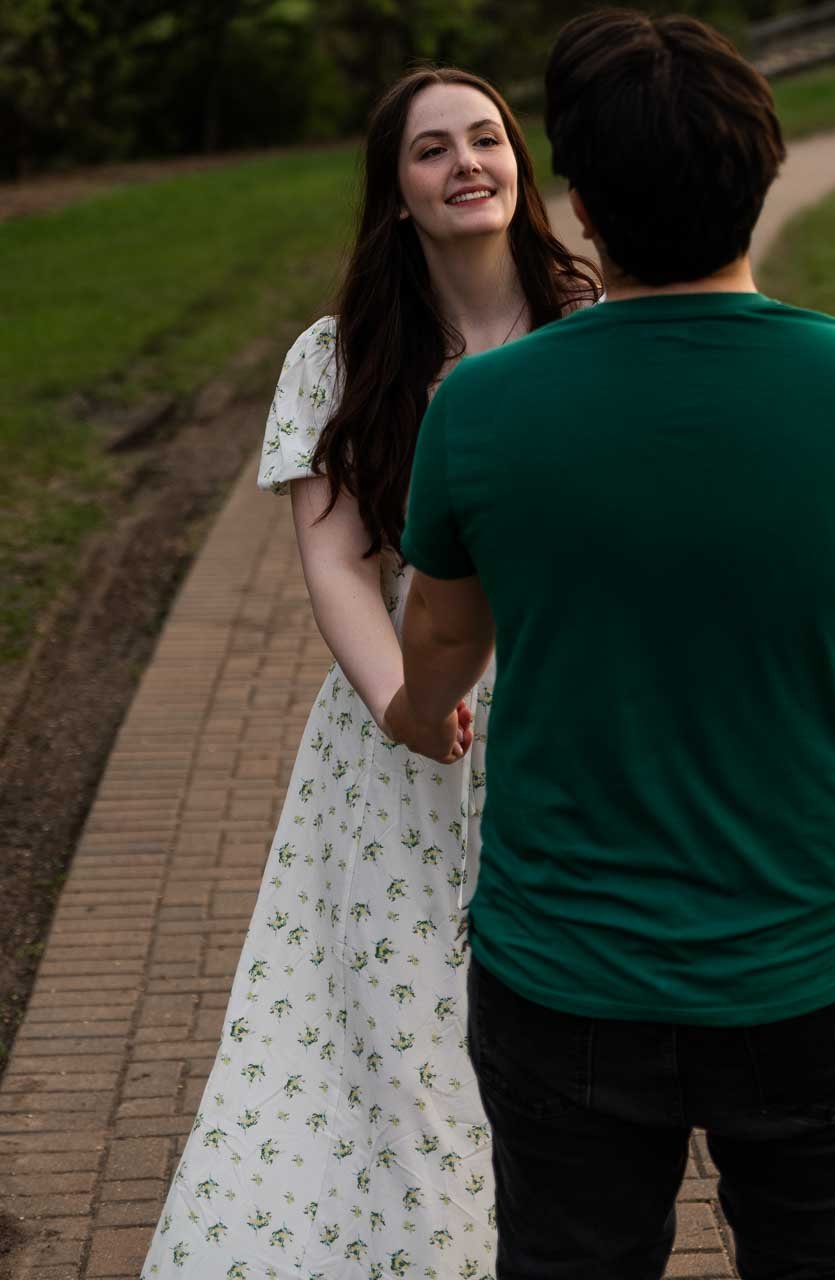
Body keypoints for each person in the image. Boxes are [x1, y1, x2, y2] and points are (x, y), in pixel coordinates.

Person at [394, 10, 835, 1280]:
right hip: (816, 956)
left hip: (564, 976)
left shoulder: (482, 409)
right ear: (760, 174)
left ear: (584, 206)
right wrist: (791, 723)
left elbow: (435, 645)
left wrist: (409, 712)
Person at [141, 65, 597, 1280]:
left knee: (547, 1037)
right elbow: (335, 561)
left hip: (568, 713)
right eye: (431, 150)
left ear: (520, 164)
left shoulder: (593, 318)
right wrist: (402, 700)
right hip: (399, 718)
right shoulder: (338, 354)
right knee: (400, 1036)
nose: (466, 165)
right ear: (394, 192)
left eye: (487, 139)